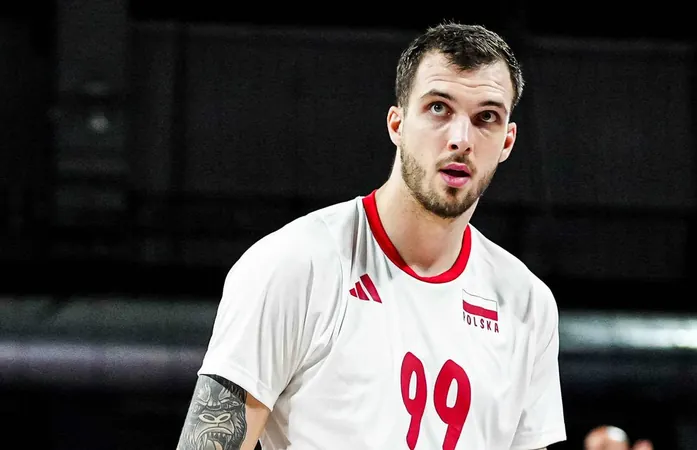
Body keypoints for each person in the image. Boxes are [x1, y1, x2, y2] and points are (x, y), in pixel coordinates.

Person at [175, 21, 569, 450]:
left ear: (507, 141)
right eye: (439, 108)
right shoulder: (294, 264)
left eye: (486, 118)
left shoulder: (527, 302)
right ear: (397, 124)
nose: (460, 139)